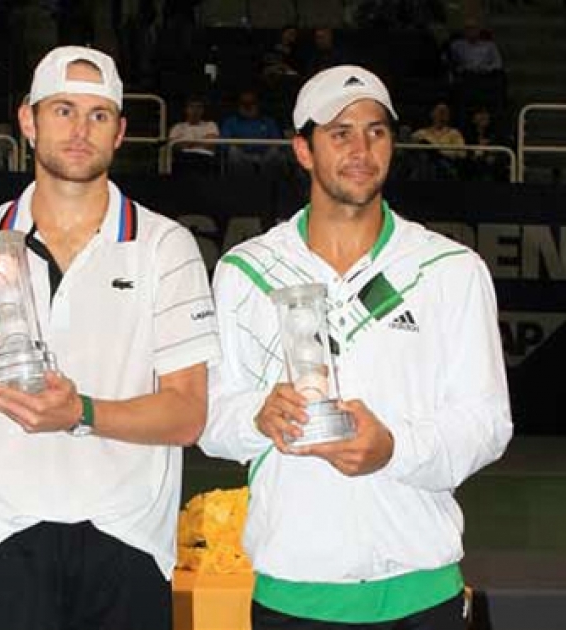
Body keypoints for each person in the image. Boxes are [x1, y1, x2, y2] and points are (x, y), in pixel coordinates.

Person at [0, 45, 219, 630]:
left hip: (129, 543)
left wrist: (81, 412)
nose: (79, 130)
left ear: (120, 132)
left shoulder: (165, 246)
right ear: (28, 121)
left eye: (97, 115)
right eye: (62, 109)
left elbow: (188, 414)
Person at [199, 65, 512, 629]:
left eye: (376, 131)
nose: (361, 148)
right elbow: (209, 421)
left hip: (422, 591)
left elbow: (487, 423)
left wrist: (394, 448)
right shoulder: (245, 272)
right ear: (303, 149)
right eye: (340, 133)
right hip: (293, 596)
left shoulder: (449, 269)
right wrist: (258, 415)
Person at [220, 88, 287, 177]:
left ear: (258, 104)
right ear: (238, 105)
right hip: (242, 158)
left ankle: (268, 183)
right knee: (233, 152)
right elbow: (224, 144)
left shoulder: (268, 121)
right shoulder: (231, 122)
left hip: (265, 158)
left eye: (252, 103)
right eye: (244, 104)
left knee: (276, 153)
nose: (248, 107)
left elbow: (277, 141)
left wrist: (263, 155)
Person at [168, 94, 220, 174]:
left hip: (205, 158)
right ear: (186, 109)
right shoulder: (177, 127)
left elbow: (210, 143)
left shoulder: (210, 124)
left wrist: (187, 143)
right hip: (183, 158)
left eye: (199, 107)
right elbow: (175, 146)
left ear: (203, 110)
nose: (195, 110)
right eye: (192, 107)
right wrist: (201, 141)